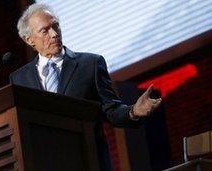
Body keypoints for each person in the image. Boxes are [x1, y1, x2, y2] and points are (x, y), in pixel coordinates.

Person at [10, 3, 162, 170]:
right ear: (30, 40)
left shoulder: (90, 64)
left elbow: (111, 111)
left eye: (56, 26)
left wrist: (133, 111)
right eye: (45, 31)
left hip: (89, 161)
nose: (54, 34)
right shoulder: (19, 79)